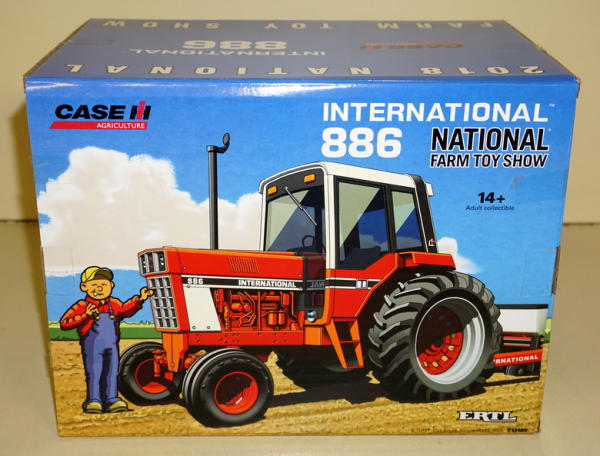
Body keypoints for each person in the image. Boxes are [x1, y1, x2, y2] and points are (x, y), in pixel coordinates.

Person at [60, 266, 153, 413]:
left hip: (111, 345)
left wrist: (140, 299)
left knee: (111, 372)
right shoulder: (82, 306)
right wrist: (85, 315)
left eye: (103, 284)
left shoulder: (113, 304)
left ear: (111, 285)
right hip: (92, 346)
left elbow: (125, 310)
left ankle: (111, 399)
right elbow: (65, 323)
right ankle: (93, 400)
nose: (100, 288)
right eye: (94, 284)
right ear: (84, 287)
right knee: (94, 372)